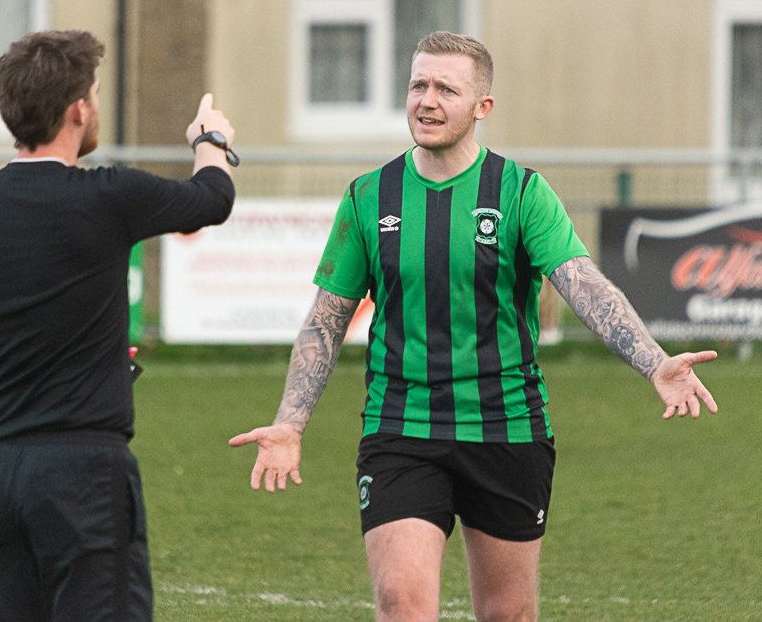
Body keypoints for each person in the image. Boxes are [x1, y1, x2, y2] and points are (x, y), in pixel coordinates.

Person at [229, 31, 717, 622]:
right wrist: (289, 423)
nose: (427, 100)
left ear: (482, 106)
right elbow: (325, 323)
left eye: (446, 89)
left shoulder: (521, 191)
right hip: (402, 427)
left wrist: (654, 362)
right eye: (418, 85)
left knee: (507, 614)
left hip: (506, 426)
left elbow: (584, 286)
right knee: (401, 604)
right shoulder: (369, 196)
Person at [0, 29, 236, 621]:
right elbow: (211, 198)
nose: (96, 104)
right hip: (82, 473)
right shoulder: (110, 194)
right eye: (94, 94)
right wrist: (210, 139)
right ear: (77, 110)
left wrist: (40, 358)